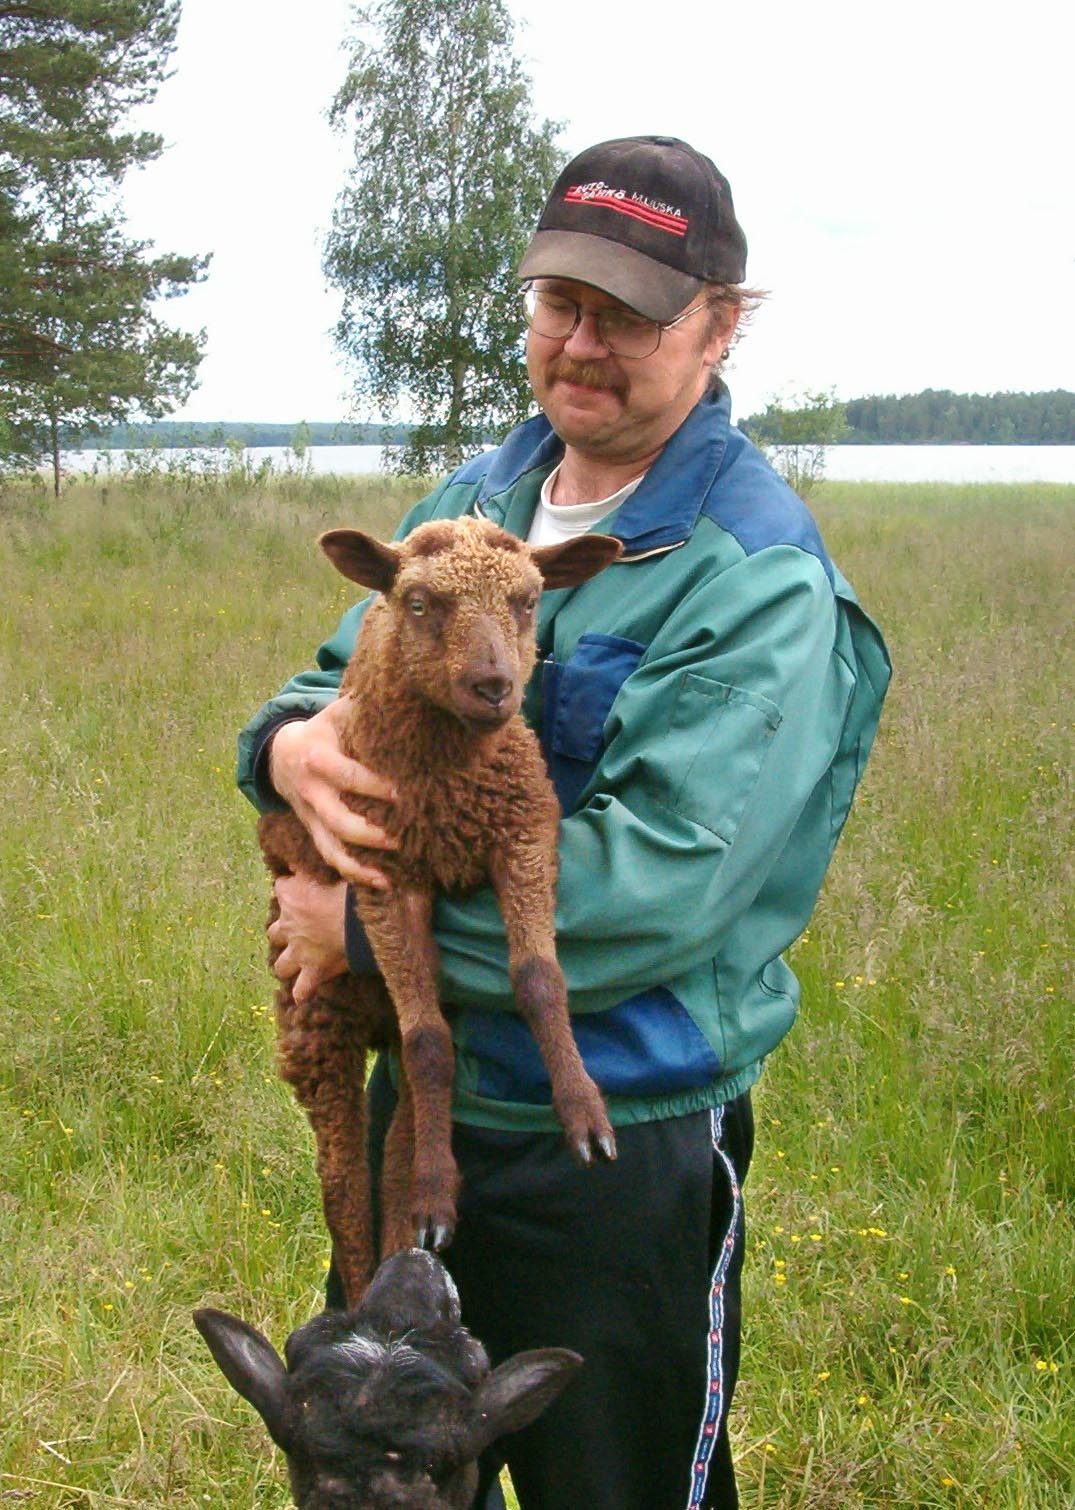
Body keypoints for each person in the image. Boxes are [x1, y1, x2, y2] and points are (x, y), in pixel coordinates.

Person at [236, 135, 890, 1510]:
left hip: (616, 1147)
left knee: (618, 1487)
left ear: (720, 326)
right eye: (559, 304)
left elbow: (662, 885)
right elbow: (333, 673)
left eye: (631, 315)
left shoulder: (754, 575)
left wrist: (356, 928)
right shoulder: (478, 503)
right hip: (425, 1115)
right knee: (385, 1476)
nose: (582, 344)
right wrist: (289, 749)